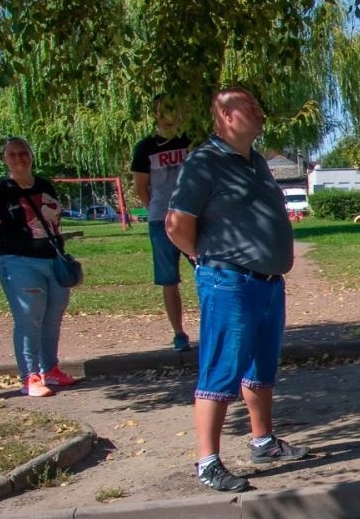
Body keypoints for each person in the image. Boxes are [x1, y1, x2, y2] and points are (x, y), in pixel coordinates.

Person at [166, 85, 309, 493]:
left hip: (266, 283)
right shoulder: (205, 162)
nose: (260, 112)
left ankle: (262, 441)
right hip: (229, 281)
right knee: (221, 370)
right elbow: (177, 225)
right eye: (251, 106)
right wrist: (208, 260)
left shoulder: (257, 162)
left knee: (260, 367)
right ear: (227, 116)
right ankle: (207, 461)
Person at [0, 138, 75, 397]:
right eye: (12, 154)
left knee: (53, 316)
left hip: (53, 260)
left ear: (31, 155)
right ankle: (30, 376)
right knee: (29, 317)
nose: (19, 158)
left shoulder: (44, 185)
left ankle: (50, 369)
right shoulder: (3, 191)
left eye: (23, 153)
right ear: (4, 160)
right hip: (18, 262)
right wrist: (12, 249)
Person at [130, 94, 195, 352]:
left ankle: (214, 327)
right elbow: (141, 187)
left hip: (192, 217)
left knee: (206, 271)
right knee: (169, 280)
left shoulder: (190, 140)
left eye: (174, 108)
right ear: (155, 114)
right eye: (164, 109)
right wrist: (157, 211)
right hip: (161, 220)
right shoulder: (145, 147)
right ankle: (178, 333)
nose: (170, 114)